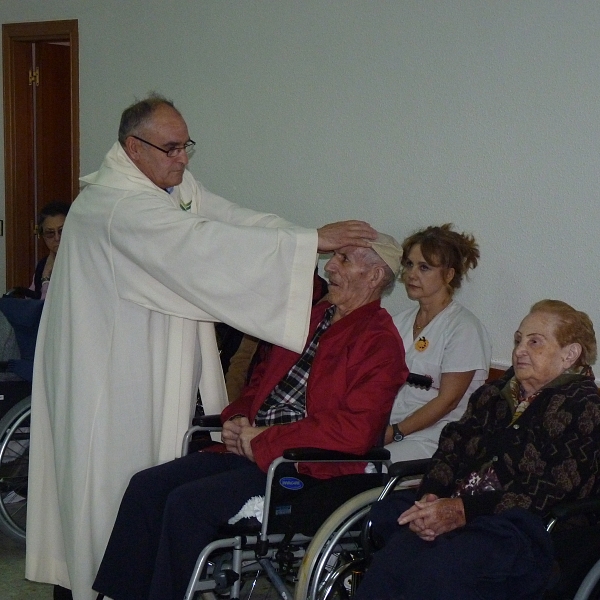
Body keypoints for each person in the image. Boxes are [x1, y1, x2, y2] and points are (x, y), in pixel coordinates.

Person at [25, 94, 379, 600]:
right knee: (104, 486)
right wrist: (307, 243)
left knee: (152, 483)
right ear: (133, 148)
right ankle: (96, 587)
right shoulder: (118, 206)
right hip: (107, 376)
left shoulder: (167, 185)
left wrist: (303, 238)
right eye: (171, 149)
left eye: (186, 145)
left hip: (166, 375)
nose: (183, 159)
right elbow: (201, 248)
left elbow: (231, 223)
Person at [92, 234, 409, 600]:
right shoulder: (312, 317)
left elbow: (357, 430)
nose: (330, 267)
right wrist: (240, 416)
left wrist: (267, 439)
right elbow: (261, 379)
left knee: (188, 505)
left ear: (374, 276)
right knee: (146, 486)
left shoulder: (379, 341)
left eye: (343, 259)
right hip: (254, 450)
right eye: (332, 257)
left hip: (307, 469)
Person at [353, 299, 600, 600]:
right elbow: (451, 446)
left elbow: (555, 487)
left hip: (528, 526)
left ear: (569, 354)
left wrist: (462, 510)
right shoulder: (494, 394)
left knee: (434, 562)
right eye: (518, 340)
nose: (520, 350)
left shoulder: (585, 407)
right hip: (464, 506)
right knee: (394, 531)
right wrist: (432, 493)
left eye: (535, 342)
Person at [384, 224, 491, 462]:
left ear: (449, 275)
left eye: (424, 267)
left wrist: (397, 432)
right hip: (388, 428)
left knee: (368, 469)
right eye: (409, 264)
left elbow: (448, 401)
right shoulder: (398, 322)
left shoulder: (464, 328)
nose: (412, 274)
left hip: (434, 438)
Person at [29, 201, 71, 300]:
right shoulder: (43, 264)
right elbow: (35, 304)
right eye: (50, 233)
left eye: (62, 231)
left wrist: (46, 279)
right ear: (42, 236)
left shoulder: (82, 263)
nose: (57, 238)